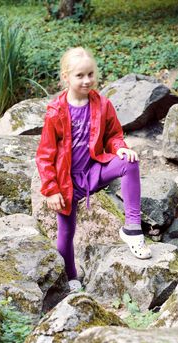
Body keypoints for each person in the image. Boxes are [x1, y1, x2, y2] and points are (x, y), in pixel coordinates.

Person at [36, 47, 151, 292]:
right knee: (66, 232)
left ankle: (131, 228)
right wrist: (51, 189)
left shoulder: (102, 105)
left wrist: (120, 148)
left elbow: (113, 135)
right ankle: (70, 277)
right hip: (68, 182)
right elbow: (45, 155)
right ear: (65, 77)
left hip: (95, 170)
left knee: (130, 162)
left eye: (90, 74)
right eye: (80, 76)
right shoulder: (56, 112)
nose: (87, 80)